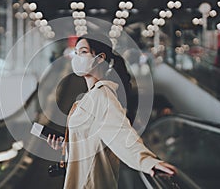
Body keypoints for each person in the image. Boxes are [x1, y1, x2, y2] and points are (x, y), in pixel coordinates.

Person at [47, 34, 176, 189]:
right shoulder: (90, 97)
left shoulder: (102, 95)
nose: (76, 57)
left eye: (83, 52)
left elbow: (121, 134)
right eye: (76, 52)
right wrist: (67, 145)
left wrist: (147, 162)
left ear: (100, 58)